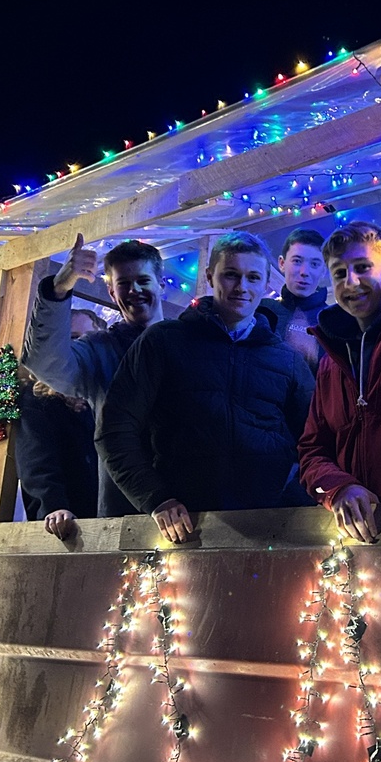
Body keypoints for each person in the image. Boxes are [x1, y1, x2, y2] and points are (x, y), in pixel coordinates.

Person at [97, 232, 314, 542]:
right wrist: (156, 498)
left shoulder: (287, 360)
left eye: (253, 277)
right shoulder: (164, 341)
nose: (242, 287)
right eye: (231, 274)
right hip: (183, 528)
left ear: (267, 283)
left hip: (270, 527)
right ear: (211, 276)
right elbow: (115, 428)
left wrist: (290, 499)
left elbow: (315, 441)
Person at [21, 235, 165, 517]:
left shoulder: (188, 342)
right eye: (124, 283)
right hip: (125, 511)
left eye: (143, 280)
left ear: (161, 284)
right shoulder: (101, 350)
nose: (134, 290)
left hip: (191, 501)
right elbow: (45, 362)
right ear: (111, 292)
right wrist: (59, 288)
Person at [297, 221, 381, 543]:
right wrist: (339, 488)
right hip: (351, 537)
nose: (351, 282)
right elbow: (312, 449)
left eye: (363, 267)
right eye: (340, 273)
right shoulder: (330, 361)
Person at [16, 309, 102, 540]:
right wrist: (53, 506)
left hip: (107, 515)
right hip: (67, 523)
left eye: (88, 339)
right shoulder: (39, 401)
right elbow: (36, 459)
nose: (80, 346)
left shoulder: (102, 396)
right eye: (73, 338)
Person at [267, 227, 328, 373]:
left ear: (324, 270)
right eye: (297, 261)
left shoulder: (333, 322)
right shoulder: (264, 312)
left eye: (314, 264)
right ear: (282, 263)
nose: (304, 272)